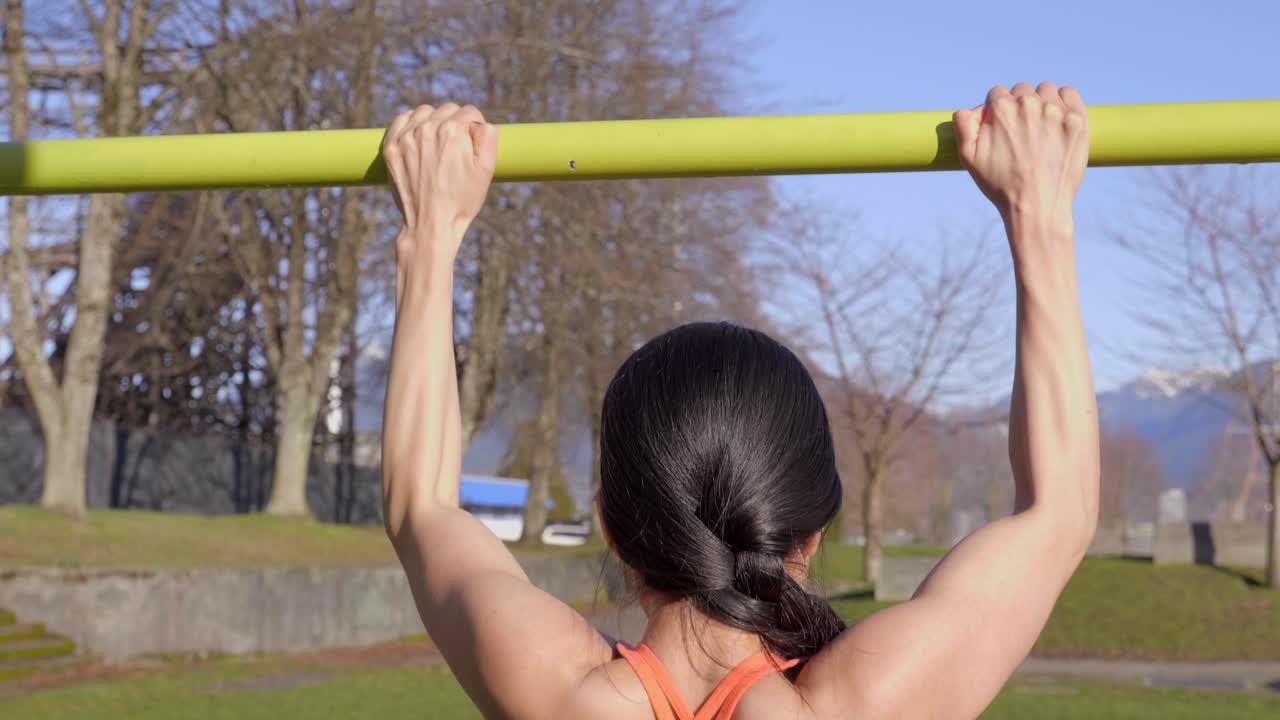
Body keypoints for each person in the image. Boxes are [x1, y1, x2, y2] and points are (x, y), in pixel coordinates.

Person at [379, 82, 1099, 720]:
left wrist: (430, 232)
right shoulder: (871, 700)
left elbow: (422, 508)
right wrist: (1039, 213)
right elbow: (1058, 511)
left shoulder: (556, 694)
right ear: (813, 529)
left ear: (611, 524)